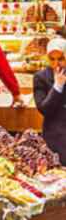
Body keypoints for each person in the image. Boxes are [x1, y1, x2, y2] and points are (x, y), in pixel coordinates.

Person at [33, 37, 66, 165]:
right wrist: (57, 86)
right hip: (55, 135)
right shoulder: (41, 77)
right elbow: (44, 109)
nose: (56, 64)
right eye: (52, 59)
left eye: (61, 59)